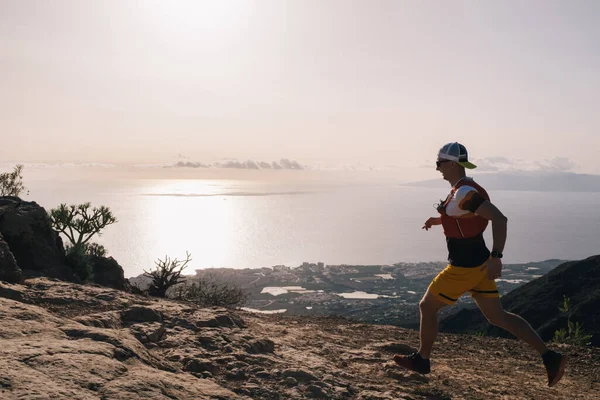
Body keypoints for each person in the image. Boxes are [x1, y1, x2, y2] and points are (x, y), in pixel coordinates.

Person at [393, 142, 567, 387]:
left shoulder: (465, 193)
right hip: (479, 265)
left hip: (464, 267)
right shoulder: (462, 190)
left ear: (452, 164)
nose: (437, 169)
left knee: (427, 307)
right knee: (499, 317)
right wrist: (439, 220)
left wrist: (497, 256)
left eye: (439, 163)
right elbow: (466, 219)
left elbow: (499, 218)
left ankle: (422, 360)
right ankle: (550, 357)